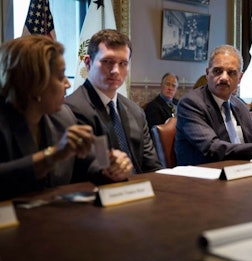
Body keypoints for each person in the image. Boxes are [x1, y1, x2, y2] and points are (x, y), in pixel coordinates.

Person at [0, 35, 133, 200]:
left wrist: (110, 169)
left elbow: (89, 163)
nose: (67, 84)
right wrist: (52, 155)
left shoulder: (62, 116)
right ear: (33, 82)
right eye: (60, 76)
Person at [66, 29, 162, 173]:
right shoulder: (71, 110)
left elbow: (152, 167)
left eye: (122, 63)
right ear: (88, 62)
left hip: (139, 189)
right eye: (107, 62)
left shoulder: (136, 112)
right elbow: (80, 169)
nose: (115, 70)